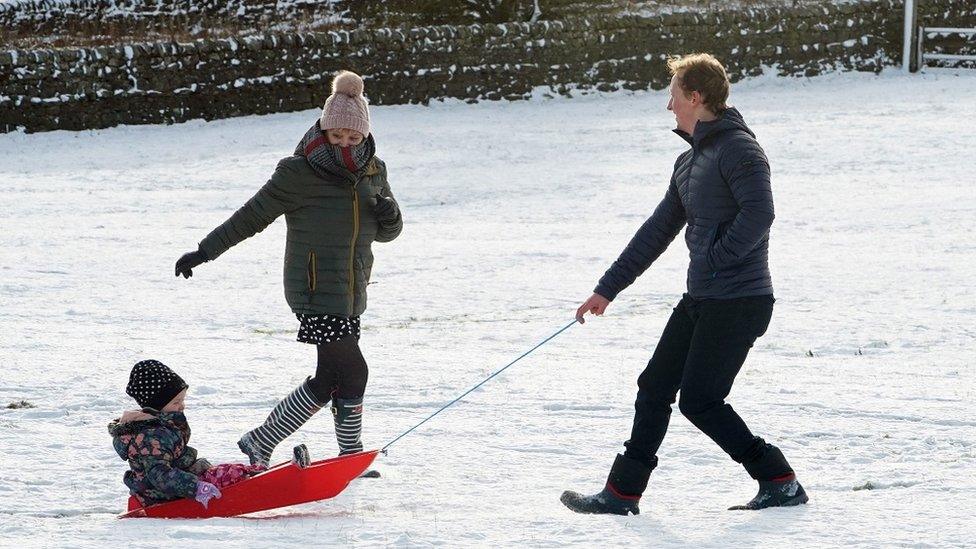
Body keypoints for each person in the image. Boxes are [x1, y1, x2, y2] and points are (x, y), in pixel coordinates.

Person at [560, 53, 808, 515]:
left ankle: (777, 477)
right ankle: (622, 493)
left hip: (740, 300)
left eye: (674, 95)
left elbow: (761, 213)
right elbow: (657, 230)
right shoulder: (688, 162)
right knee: (654, 387)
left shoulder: (740, 151)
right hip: (703, 298)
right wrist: (607, 289)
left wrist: (715, 257)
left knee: (701, 400)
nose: (668, 106)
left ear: (696, 97)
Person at [173, 70, 402, 468]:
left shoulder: (373, 171)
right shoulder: (298, 172)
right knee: (354, 371)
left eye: (353, 137)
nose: (345, 144)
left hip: (351, 291)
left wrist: (390, 213)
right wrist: (203, 251)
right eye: (337, 136)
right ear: (324, 130)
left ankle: (264, 439)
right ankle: (346, 454)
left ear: (364, 136)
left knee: (332, 379)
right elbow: (251, 216)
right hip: (312, 289)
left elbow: (388, 233)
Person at [110, 359, 263, 508]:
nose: (182, 406)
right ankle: (263, 489)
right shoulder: (151, 436)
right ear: (157, 406)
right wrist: (195, 487)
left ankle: (256, 477)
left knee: (231, 472)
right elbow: (159, 475)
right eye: (176, 402)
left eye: (182, 400)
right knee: (229, 476)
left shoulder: (162, 425)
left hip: (181, 481)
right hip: (163, 495)